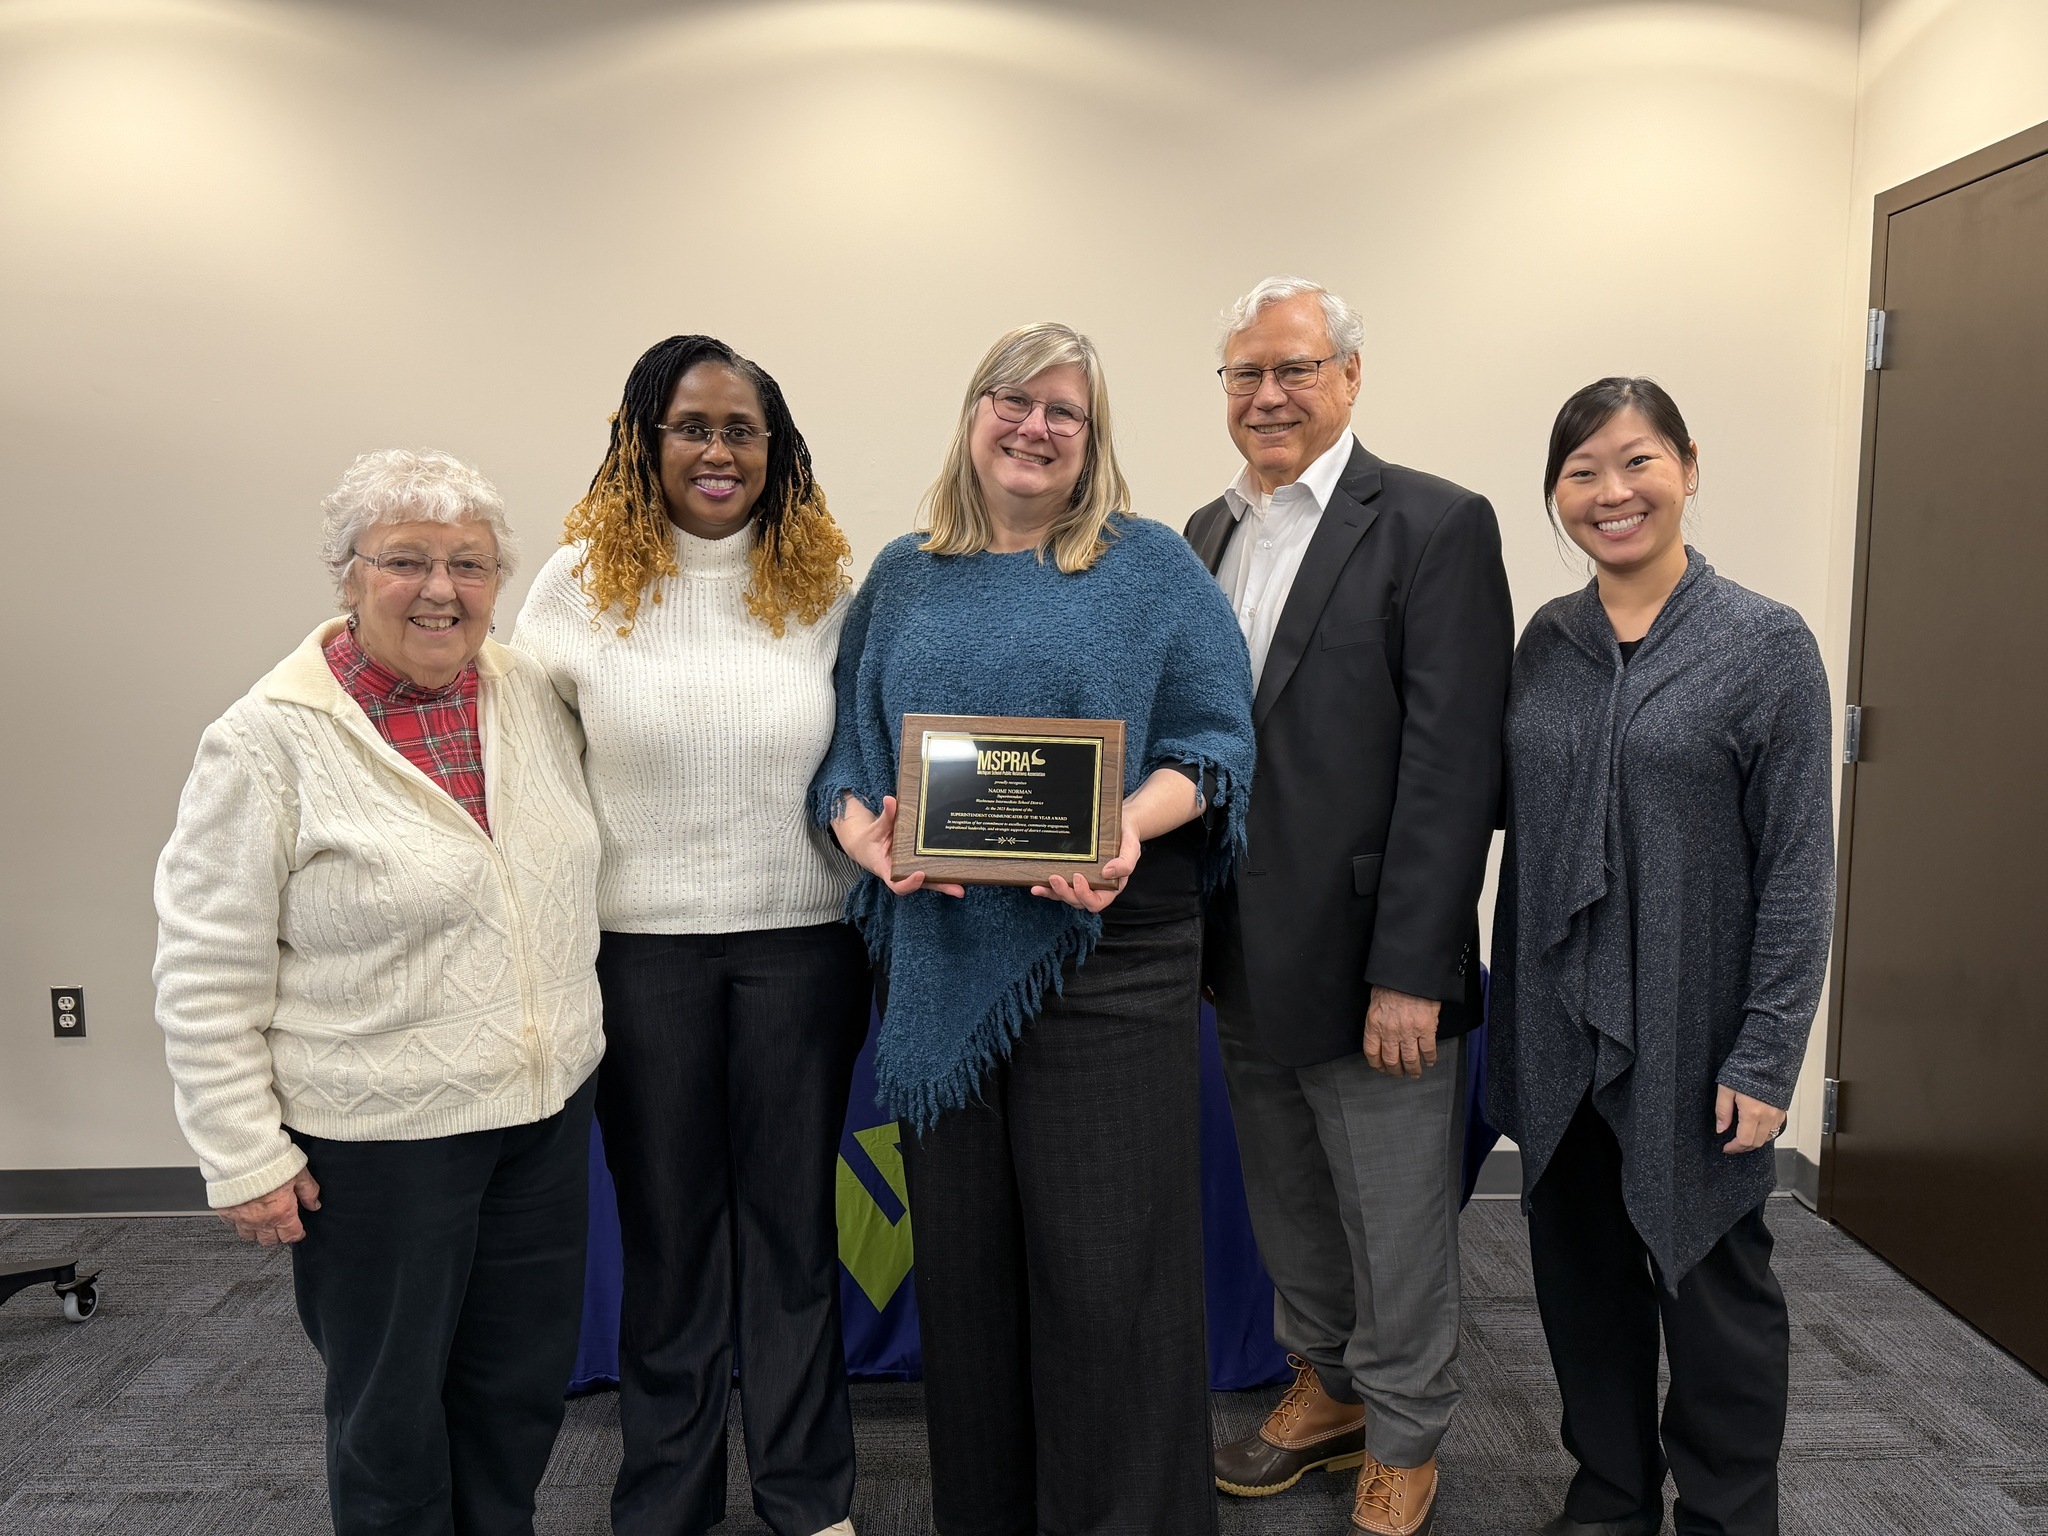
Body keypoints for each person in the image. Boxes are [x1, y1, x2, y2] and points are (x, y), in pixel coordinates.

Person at [811, 322, 1256, 1536]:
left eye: (1064, 410)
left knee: (1110, 1283)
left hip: (1108, 964)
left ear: (1091, 439)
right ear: (972, 417)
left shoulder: (1149, 566)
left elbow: (1217, 746)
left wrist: (1124, 827)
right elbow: (847, 758)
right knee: (970, 1284)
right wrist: (868, 840)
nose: (1035, 425)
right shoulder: (903, 574)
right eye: (1013, 400)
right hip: (944, 971)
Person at [153, 449, 604, 1536]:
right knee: (391, 1416)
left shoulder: (533, 694)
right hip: (380, 1139)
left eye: (470, 565)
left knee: (515, 1393)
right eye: (405, 561)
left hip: (541, 1121)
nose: (442, 590)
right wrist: (241, 1151)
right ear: (346, 576)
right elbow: (206, 960)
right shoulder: (266, 740)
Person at [513, 336, 867, 1536]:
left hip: (803, 950)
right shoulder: (572, 586)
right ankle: (662, 1500)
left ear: (778, 451)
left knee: (791, 1231)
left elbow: (867, 759)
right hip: (641, 956)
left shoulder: (825, 584)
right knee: (667, 1236)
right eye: (691, 427)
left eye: (742, 430)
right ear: (642, 441)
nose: (718, 451)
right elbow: (536, 778)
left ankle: (807, 1495)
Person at [1188, 276, 1513, 1536]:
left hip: (1374, 959)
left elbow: (1451, 766)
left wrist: (1412, 970)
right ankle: (1324, 1382)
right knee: (1286, 1194)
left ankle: (1411, 1427)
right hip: (1236, 948)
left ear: (1349, 377)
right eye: (1243, 374)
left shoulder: (1432, 524)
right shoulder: (1198, 537)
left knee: (1394, 1213)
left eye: (1293, 369)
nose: (1267, 395)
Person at [1489, 378, 1834, 1536]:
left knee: (1713, 1295)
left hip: (1697, 1034)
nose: (1609, 493)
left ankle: (1730, 1517)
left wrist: (1766, 1052)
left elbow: (1795, 865)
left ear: (1686, 466)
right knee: (1580, 1284)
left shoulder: (1763, 643)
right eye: (1580, 473)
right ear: (1556, 496)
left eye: (1633, 462)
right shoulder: (1548, 641)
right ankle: (1609, 1501)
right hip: (1553, 1022)